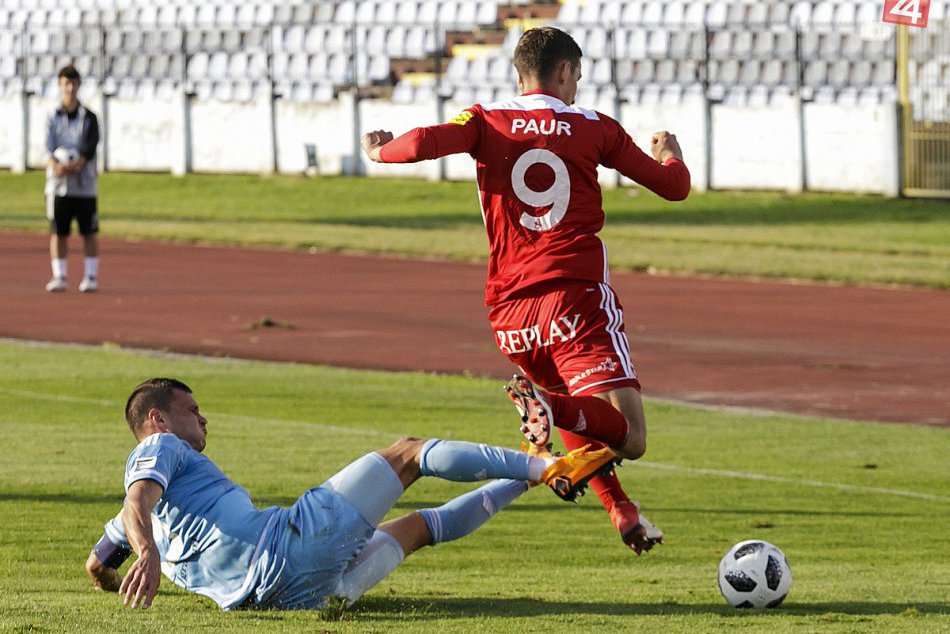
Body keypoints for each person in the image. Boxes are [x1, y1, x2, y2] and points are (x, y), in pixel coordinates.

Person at [360, 27, 691, 554]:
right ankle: (548, 407)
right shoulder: (594, 126)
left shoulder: (484, 118)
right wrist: (671, 154)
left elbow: (421, 142)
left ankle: (620, 509)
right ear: (563, 71)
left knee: (573, 404)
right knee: (629, 435)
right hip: (574, 298)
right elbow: (673, 188)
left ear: (519, 73)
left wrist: (379, 153)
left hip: (510, 314)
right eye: (577, 77)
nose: (577, 87)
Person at [84, 378, 616, 610]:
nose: (203, 418)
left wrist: (119, 577)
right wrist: (150, 554)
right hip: (289, 549)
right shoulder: (162, 448)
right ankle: (548, 466)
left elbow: (97, 563)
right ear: (157, 419)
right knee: (409, 453)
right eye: (191, 410)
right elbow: (139, 502)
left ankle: (523, 473)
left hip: (299, 598)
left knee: (417, 529)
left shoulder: (128, 523)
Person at [44, 64, 101, 293]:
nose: (70, 88)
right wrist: (56, 166)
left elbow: (89, 147)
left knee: (89, 231)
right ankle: (60, 276)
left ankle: (91, 276)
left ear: (79, 85)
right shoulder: (52, 117)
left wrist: (75, 165)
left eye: (74, 83)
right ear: (60, 86)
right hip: (58, 187)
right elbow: (47, 149)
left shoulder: (89, 117)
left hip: (84, 185)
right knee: (59, 231)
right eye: (66, 83)